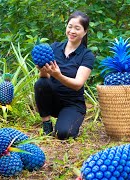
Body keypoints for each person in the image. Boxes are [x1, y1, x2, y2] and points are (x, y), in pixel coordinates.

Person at [34, 11, 95, 140]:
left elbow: (78, 85)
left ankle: (66, 121)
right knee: (40, 83)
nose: (72, 31)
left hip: (72, 104)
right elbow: (45, 78)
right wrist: (43, 69)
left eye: (77, 28)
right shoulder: (54, 48)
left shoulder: (87, 55)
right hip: (53, 100)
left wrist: (58, 75)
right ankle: (46, 125)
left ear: (84, 32)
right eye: (70, 26)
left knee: (64, 134)